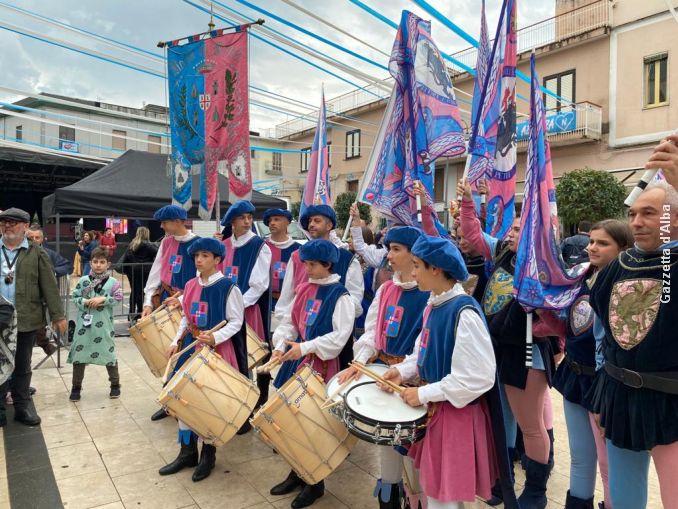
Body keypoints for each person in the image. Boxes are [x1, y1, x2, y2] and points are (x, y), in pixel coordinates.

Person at [380, 234, 498, 509]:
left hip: (454, 416)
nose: (412, 272)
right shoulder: (435, 303)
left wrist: (423, 393)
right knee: (436, 490)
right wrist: (402, 371)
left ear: (435, 269)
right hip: (439, 411)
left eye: (417, 266)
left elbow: (478, 377)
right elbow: (423, 351)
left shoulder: (463, 312)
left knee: (443, 497)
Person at [458, 179, 556, 508]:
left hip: (527, 353)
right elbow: (472, 234)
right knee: (503, 419)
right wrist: (469, 201)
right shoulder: (502, 251)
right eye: (512, 228)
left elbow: (557, 317)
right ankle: (504, 480)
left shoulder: (546, 268)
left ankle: (536, 490)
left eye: (518, 229)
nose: (511, 234)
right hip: (496, 347)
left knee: (531, 424)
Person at [588, 174, 678, 509]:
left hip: (671, 400)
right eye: (633, 214)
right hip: (620, 396)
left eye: (649, 213)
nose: (636, 222)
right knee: (624, 498)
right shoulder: (618, 267)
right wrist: (602, 392)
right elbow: (605, 335)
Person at [338, 226, 429, 508]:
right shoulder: (386, 289)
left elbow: (424, 345)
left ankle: (417, 499)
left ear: (414, 255)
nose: (388, 255)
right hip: (384, 376)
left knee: (415, 456)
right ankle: (389, 497)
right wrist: (361, 361)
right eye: (389, 249)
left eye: (395, 250)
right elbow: (372, 332)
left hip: (415, 384)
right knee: (387, 446)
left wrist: (405, 372)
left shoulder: (428, 294)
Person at [268, 239, 356, 508]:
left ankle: (314, 482)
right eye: (305, 263)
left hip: (322, 366)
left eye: (312, 264)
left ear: (328, 265)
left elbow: (339, 338)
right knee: (293, 422)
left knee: (312, 424)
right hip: (297, 362)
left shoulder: (342, 297)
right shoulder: (305, 289)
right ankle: (297, 470)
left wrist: (305, 347)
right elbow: (290, 324)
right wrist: (280, 345)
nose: (306, 269)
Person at [552, 220, 633, 509]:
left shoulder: (625, 287)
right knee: (580, 456)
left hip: (604, 386)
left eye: (602, 243)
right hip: (575, 377)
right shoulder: (581, 277)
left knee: (607, 462)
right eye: (592, 241)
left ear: (624, 248)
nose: (592, 247)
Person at [159, 237, 246, 482]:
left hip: (216, 351)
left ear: (217, 260)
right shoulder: (190, 284)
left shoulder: (229, 287)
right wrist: (176, 341)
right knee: (185, 400)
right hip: (191, 347)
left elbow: (236, 322)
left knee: (209, 403)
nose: (199, 260)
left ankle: (208, 454)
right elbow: (186, 318)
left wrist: (215, 336)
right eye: (196, 256)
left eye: (205, 256)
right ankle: (187, 452)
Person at [275, 204, 364, 369]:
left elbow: (355, 305)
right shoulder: (296, 257)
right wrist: (285, 338)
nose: (311, 225)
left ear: (329, 226)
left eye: (317, 220)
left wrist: (328, 308)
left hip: (333, 345)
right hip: (300, 339)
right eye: (309, 221)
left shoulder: (348, 260)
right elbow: (288, 298)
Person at [0, 208, 66, 426]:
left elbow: (49, 285)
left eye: (14, 222)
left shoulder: (37, 252)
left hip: (26, 318)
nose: (8, 226)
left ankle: (21, 407)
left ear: (25, 226)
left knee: (22, 365)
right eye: (4, 222)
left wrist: (58, 315)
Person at [142, 204, 200, 422]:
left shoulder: (198, 245)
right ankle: (168, 402)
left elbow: (200, 280)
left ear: (178, 221)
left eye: (165, 222)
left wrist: (183, 300)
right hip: (166, 303)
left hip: (187, 307)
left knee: (185, 356)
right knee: (166, 353)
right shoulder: (166, 242)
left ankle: (183, 404)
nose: (161, 226)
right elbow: (156, 273)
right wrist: (148, 301)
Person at [68, 247, 124, 401]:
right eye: (95, 262)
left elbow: (118, 298)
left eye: (102, 262)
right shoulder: (83, 281)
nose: (98, 265)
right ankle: (76, 387)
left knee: (109, 354)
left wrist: (103, 300)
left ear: (108, 264)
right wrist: (85, 301)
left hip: (104, 325)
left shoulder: (113, 282)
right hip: (84, 327)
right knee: (79, 355)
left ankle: (115, 385)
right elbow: (75, 297)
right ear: (90, 263)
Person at [260, 208, 300, 407]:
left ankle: (284, 397)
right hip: (266, 303)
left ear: (287, 222)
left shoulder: (298, 251)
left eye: (277, 219)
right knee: (265, 350)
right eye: (270, 220)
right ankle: (261, 395)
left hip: (290, 305)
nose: (272, 223)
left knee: (285, 347)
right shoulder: (262, 247)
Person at [26, 225, 72, 356]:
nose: (34, 240)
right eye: (30, 237)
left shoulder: (49, 254)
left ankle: (45, 341)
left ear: (43, 239)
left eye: (37, 237)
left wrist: (52, 273)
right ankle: (42, 342)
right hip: (27, 296)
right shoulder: (19, 253)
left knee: (43, 319)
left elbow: (67, 265)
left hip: (45, 296)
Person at [117, 227, 158, 321]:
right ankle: (140, 312)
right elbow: (157, 252)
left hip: (132, 271)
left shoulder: (133, 244)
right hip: (144, 271)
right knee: (143, 292)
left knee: (134, 291)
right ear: (146, 233)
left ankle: (131, 313)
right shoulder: (146, 244)